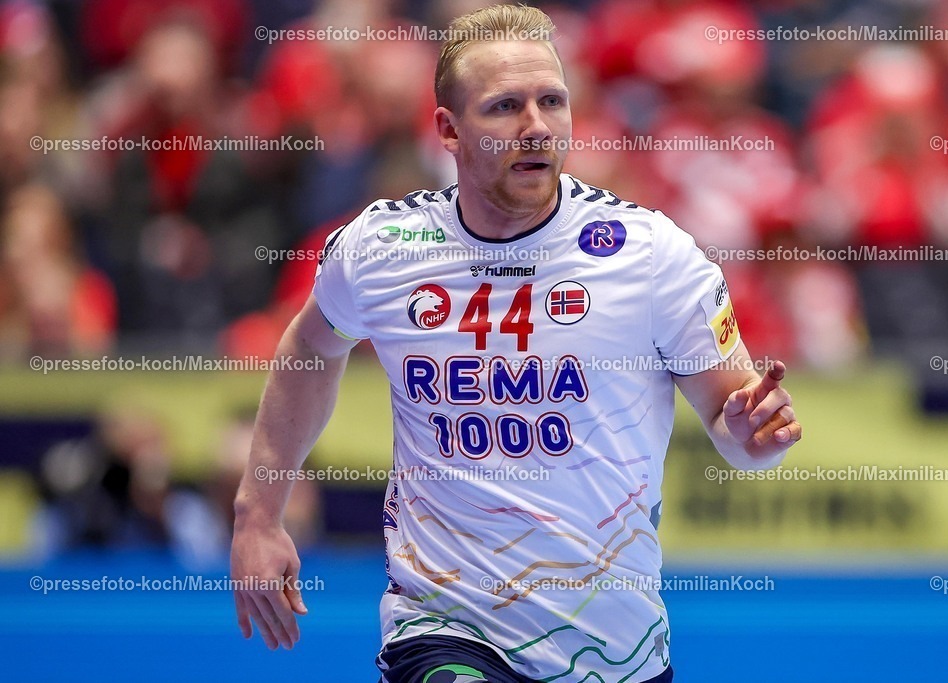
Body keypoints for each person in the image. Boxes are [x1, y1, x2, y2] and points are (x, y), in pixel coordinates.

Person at [230, 6, 801, 682]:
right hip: (441, 626)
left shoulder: (648, 254)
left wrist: (751, 434)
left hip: (612, 650)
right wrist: (258, 513)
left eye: (552, 101)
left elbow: (736, 423)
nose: (536, 126)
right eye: (504, 107)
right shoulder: (384, 247)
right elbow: (309, 349)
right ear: (448, 129)